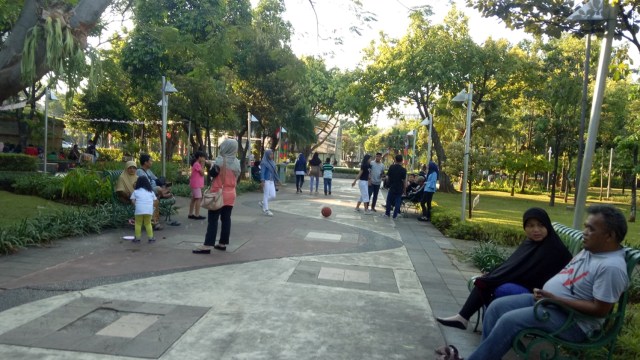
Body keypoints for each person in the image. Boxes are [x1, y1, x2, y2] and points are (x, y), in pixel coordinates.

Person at [454, 205, 629, 360]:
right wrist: (547, 294)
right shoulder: (591, 250)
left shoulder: (611, 267)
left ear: (609, 235)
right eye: (585, 227)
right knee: (496, 307)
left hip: (574, 323)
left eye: (591, 229)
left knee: (509, 321)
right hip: (550, 304)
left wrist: (556, 299)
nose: (585, 232)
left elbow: (600, 310)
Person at [436, 207, 573, 331]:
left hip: (540, 293)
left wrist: (499, 276)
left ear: (548, 226)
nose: (536, 230)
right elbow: (514, 264)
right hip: (528, 284)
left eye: (540, 225)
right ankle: (465, 318)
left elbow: (535, 275)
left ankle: (475, 321)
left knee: (492, 283)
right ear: (524, 228)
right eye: (530, 226)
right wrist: (495, 273)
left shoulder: (552, 248)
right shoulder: (531, 243)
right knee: (488, 279)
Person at [193, 139, 241, 253]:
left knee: (213, 220)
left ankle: (208, 245)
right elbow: (237, 178)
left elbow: (212, 175)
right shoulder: (237, 162)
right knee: (226, 219)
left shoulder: (220, 161)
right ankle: (222, 243)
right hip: (231, 194)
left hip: (218, 194)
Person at [129, 176, 158, 244]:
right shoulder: (151, 192)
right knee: (148, 223)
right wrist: (151, 206)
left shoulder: (136, 191)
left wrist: (136, 205)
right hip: (149, 210)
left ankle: (137, 238)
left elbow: (132, 200)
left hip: (139, 210)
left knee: (138, 224)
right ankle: (151, 238)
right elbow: (155, 201)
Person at [383, 154, 407, 219]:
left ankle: (387, 213)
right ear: (402, 160)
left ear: (395, 160)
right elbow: (404, 181)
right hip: (399, 187)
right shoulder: (403, 170)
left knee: (389, 200)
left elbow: (387, 177)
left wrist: (387, 184)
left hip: (392, 186)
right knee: (398, 201)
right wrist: (405, 190)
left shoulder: (391, 167)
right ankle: (395, 215)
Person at [260, 149, 279, 216]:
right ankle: (266, 210)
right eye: (270, 154)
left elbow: (274, 172)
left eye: (272, 154)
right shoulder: (264, 163)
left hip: (271, 180)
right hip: (266, 180)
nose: (272, 155)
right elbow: (262, 172)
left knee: (273, 196)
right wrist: (262, 181)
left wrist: (277, 180)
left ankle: (263, 203)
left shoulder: (272, 162)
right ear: (267, 155)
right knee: (266, 195)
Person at [188, 151, 207, 220]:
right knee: (198, 198)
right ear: (199, 157)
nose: (204, 158)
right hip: (196, 184)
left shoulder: (197, 164)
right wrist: (203, 164)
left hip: (196, 184)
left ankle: (190, 214)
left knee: (194, 198)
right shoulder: (197, 164)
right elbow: (202, 173)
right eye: (203, 157)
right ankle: (197, 214)